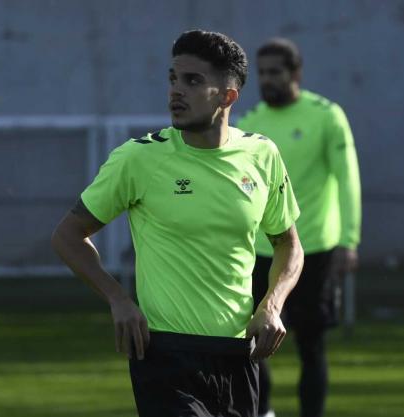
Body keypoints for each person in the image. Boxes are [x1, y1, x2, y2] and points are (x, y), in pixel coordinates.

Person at [52, 30, 304, 417]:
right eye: (173, 78)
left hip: (238, 354)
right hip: (164, 353)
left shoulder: (262, 155)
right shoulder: (138, 159)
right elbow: (68, 236)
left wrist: (272, 305)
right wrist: (118, 300)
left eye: (192, 81)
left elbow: (288, 244)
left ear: (227, 96)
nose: (175, 91)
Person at [237, 38, 361, 417]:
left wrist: (349, 240)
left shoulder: (326, 116)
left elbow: (347, 178)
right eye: (262, 73)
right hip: (260, 251)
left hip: (315, 249)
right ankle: (264, 412)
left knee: (311, 345)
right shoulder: (250, 123)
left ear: (295, 74)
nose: (268, 80)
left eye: (275, 72)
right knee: (253, 345)